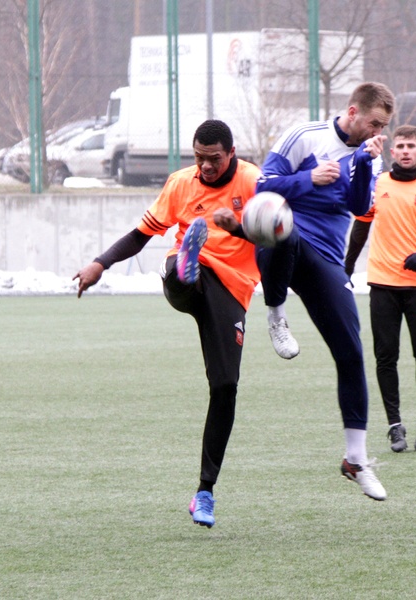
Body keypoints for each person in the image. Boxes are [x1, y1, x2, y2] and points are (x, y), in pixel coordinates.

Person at [73, 120, 261, 528]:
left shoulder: (254, 183)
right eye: (199, 158)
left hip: (232, 292)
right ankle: (183, 265)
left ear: (231, 153)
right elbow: (141, 234)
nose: (206, 167)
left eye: (213, 159)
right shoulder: (181, 183)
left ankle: (204, 493)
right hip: (192, 277)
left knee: (225, 386)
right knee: (181, 273)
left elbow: (273, 237)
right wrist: (100, 263)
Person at [228, 82, 395, 500]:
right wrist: (308, 178)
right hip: (282, 241)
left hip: (325, 258)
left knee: (352, 351)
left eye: (384, 126)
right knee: (281, 226)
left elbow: (358, 207)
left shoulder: (367, 155)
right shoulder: (305, 135)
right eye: (375, 123)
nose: (379, 131)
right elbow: (261, 186)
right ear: (353, 111)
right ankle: (275, 313)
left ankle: (355, 459)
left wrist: (362, 162)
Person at [344, 124, 416, 453]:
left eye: (412, 145)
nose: (406, 150)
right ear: (392, 152)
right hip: (382, 284)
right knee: (386, 357)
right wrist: (348, 266)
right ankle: (395, 426)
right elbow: (361, 228)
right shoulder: (376, 185)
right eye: (401, 146)